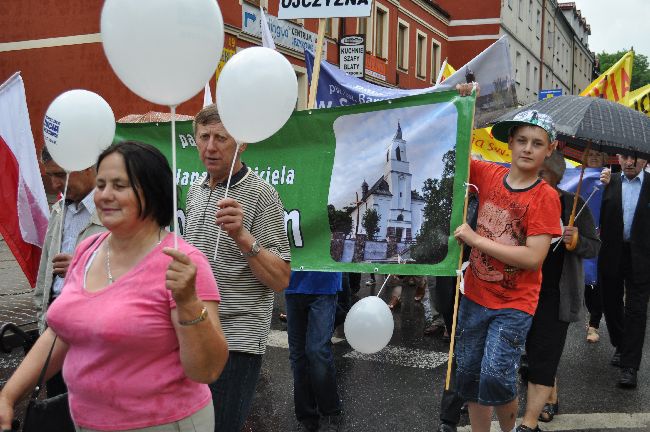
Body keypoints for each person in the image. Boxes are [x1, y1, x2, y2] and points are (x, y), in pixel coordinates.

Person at [0, 141, 229, 431]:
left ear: (152, 192)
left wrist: (188, 303)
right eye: (101, 184)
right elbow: (61, 333)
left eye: (119, 186)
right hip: (87, 422)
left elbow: (206, 369)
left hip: (163, 423)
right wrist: (8, 396)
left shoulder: (182, 263)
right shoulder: (87, 250)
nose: (104, 195)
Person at [453, 108, 562, 432]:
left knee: (496, 378)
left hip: (514, 305)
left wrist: (476, 240)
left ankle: (510, 429)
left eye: (537, 143)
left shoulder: (546, 197)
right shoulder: (487, 174)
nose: (528, 149)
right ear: (511, 143)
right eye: (523, 141)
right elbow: (455, 149)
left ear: (549, 150)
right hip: (475, 296)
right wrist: (463, 107)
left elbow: (533, 257)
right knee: (470, 377)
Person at [184, 104, 291, 431]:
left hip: (237, 338)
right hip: (194, 330)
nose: (210, 146)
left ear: (242, 143)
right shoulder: (195, 191)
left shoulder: (262, 194)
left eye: (221, 138)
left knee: (220, 425)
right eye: (204, 137)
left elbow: (281, 278)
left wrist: (244, 238)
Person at [517, 151, 600, 431]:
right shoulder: (522, 200)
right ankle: (546, 394)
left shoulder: (573, 206)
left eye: (542, 175)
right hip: (522, 289)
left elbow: (595, 245)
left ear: (555, 177)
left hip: (556, 293)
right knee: (531, 350)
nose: (536, 180)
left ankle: (537, 412)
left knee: (546, 351)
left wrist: (576, 241)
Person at [33, 147, 106, 397]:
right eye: (49, 176)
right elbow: (45, 274)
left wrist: (84, 264)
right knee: (57, 404)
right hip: (56, 325)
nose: (54, 185)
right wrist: (43, 317)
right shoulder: (59, 209)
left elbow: (132, 270)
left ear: (86, 167)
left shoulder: (114, 211)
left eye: (60, 175)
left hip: (94, 329)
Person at [599, 153, 650, 389]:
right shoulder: (608, 181)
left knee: (637, 310)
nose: (630, 163)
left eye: (636, 158)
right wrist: (598, 187)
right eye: (625, 157)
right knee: (610, 302)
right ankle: (620, 343)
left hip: (642, 256)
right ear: (618, 158)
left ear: (646, 160)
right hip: (612, 253)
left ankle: (630, 366)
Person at [285, 271, 343, 432]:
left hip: (324, 283)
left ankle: (330, 412)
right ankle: (306, 416)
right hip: (293, 284)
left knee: (317, 351)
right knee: (298, 355)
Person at [581, 149, 609, 343]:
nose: (593, 156)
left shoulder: (609, 178)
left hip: (600, 240)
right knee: (577, 282)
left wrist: (610, 184)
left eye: (598, 154)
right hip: (577, 238)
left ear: (604, 159)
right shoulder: (576, 175)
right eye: (590, 153)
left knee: (594, 284)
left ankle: (593, 324)